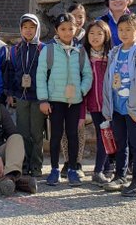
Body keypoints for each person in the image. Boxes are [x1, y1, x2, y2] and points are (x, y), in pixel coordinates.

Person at [37, 13, 93, 187]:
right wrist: (43, 99)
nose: (67, 32)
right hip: (55, 100)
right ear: (56, 30)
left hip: (74, 101)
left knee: (73, 135)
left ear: (76, 29)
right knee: (55, 136)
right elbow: (40, 75)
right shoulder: (49, 49)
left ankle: (72, 169)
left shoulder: (80, 50)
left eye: (71, 28)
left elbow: (87, 74)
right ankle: (54, 169)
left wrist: (81, 91)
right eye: (63, 29)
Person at [102, 14, 136, 197]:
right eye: (121, 29)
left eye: (129, 29)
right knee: (121, 142)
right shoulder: (115, 51)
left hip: (134, 108)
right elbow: (108, 79)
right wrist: (108, 105)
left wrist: (133, 107)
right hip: (117, 106)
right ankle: (120, 176)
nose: (124, 33)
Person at [6, 14, 45, 177]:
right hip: (21, 97)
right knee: (22, 132)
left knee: (36, 133)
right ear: (20, 29)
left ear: (37, 29)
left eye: (32, 27)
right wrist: (10, 93)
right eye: (25, 27)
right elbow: (10, 71)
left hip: (38, 97)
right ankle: (24, 163)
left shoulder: (43, 49)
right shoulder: (15, 49)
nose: (28, 31)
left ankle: (36, 165)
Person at [81, 20, 114, 186]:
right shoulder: (84, 54)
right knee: (103, 135)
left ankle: (105, 167)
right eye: (92, 33)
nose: (95, 37)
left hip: (110, 102)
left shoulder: (112, 55)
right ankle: (98, 171)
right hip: (94, 103)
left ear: (106, 35)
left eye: (99, 33)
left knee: (107, 134)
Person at [60, 3, 88, 178]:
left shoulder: (89, 37)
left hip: (82, 87)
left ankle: (77, 161)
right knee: (64, 127)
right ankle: (66, 160)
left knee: (79, 125)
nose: (78, 19)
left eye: (81, 16)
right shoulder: (61, 39)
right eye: (74, 15)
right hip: (63, 90)